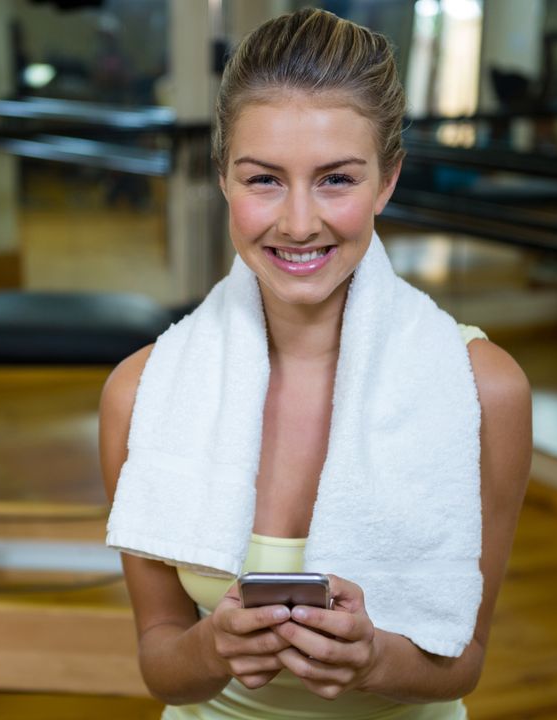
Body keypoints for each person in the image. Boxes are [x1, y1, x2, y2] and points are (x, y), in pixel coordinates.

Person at [99, 8, 531, 720]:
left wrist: (374, 660)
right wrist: (214, 648)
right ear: (224, 181)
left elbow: (466, 663)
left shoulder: (484, 391)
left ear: (387, 181)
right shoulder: (142, 393)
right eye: (264, 179)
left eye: (336, 180)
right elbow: (161, 662)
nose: (299, 223)